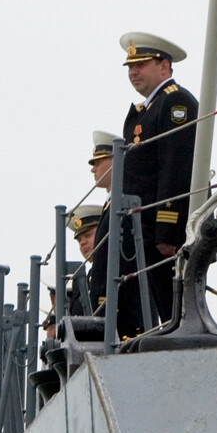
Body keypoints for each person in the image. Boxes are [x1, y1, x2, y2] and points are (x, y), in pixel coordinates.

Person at [120, 31, 199, 325]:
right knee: (159, 308)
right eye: (130, 66)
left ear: (163, 67)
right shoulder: (147, 110)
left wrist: (168, 230)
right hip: (145, 228)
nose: (133, 72)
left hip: (162, 229)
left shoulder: (175, 102)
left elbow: (176, 166)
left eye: (141, 64)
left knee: (173, 308)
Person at [86, 129, 147, 337]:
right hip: (112, 306)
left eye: (98, 162)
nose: (93, 169)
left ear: (116, 161)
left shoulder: (125, 204)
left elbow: (127, 257)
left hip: (126, 308)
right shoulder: (112, 204)